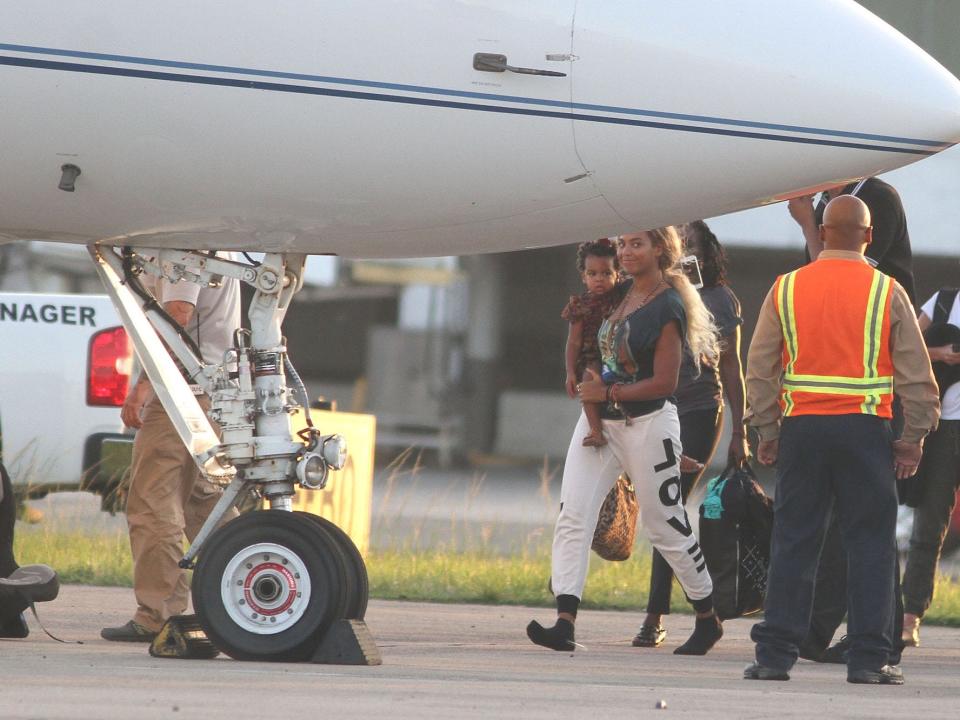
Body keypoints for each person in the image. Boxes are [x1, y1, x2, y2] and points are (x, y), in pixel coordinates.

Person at [743, 195, 939, 684]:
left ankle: (774, 656)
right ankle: (870, 660)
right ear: (870, 237)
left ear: (824, 231)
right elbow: (918, 377)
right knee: (870, 544)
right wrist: (913, 437)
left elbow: (761, 366)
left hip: (803, 432)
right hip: (865, 432)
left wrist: (767, 431)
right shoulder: (886, 290)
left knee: (794, 540)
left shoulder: (786, 288)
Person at [527, 226, 724, 656]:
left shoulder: (667, 306)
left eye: (637, 244)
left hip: (647, 424)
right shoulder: (619, 295)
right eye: (623, 244)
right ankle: (565, 621)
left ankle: (708, 617)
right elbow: (589, 344)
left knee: (665, 525)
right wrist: (586, 379)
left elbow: (664, 382)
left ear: (660, 249)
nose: (627, 251)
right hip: (603, 422)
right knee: (574, 514)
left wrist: (607, 393)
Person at [788, 176, 915, 664]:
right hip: (848, 390)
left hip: (875, 389)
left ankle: (870, 634)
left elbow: (848, 279)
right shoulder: (830, 200)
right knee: (852, 518)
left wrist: (806, 224)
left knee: (864, 518)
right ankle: (833, 630)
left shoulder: (874, 199)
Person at [100, 255, 241, 642]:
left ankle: (157, 613)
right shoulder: (214, 240)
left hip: (182, 391)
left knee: (152, 502)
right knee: (206, 505)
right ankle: (238, 600)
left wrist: (148, 380)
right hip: (214, 391)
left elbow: (178, 312)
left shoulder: (180, 244)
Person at [633, 220, 749, 648]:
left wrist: (741, 429)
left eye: (693, 245)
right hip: (653, 411)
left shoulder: (719, 299)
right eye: (679, 245)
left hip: (700, 410)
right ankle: (696, 608)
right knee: (661, 511)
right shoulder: (652, 294)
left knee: (670, 508)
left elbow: (732, 368)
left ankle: (657, 615)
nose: (686, 253)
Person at [901, 286, 960, 646]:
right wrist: (940, 353)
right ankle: (910, 617)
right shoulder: (942, 302)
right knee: (929, 525)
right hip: (945, 430)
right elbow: (905, 348)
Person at [563, 239, 625, 447]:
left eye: (606, 273)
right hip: (593, 358)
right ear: (584, 276)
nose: (599, 279)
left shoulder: (624, 297)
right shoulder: (581, 305)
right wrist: (570, 372)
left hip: (621, 355)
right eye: (592, 274)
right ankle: (596, 430)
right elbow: (573, 342)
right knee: (588, 379)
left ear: (618, 274)